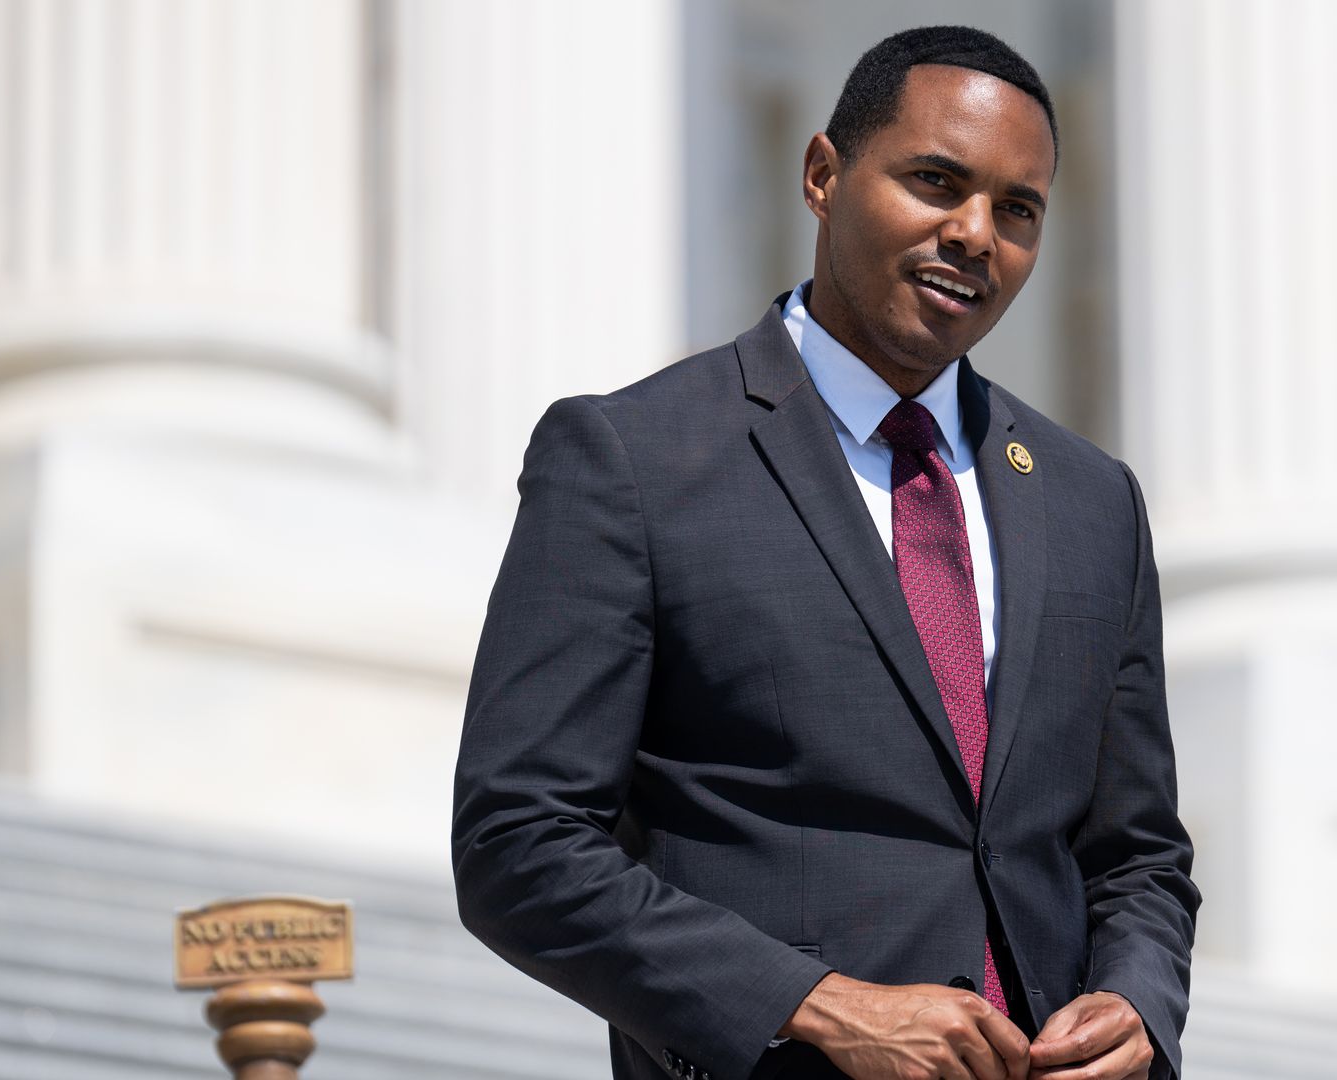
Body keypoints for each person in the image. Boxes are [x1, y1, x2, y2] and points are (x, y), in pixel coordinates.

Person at [452, 25, 1199, 1080]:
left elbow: (1138, 856)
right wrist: (814, 1006)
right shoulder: (633, 459)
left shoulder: (1094, 503)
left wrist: (1137, 1002)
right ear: (822, 176)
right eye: (936, 182)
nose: (975, 233)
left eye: (1017, 210)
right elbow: (517, 843)